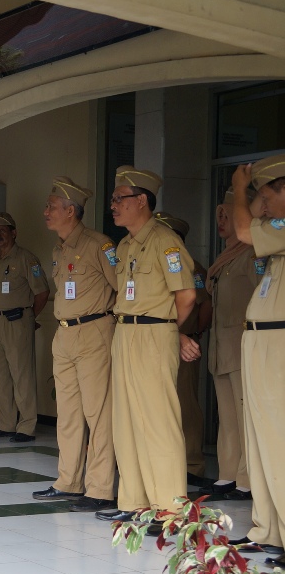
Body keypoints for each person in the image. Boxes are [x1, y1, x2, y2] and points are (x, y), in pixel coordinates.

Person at [96, 166, 197, 525]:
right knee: (125, 420)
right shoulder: (124, 245)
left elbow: (185, 294)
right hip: (125, 332)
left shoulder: (165, 240)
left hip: (154, 334)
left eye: (119, 198)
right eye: (113, 199)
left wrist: (169, 329)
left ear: (141, 201)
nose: (113, 205)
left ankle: (170, 509)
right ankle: (134, 502)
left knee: (158, 421)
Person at [31, 177, 119, 513]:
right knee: (67, 414)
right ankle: (68, 481)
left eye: (51, 207)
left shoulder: (100, 246)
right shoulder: (58, 250)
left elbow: (120, 288)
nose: (45, 212)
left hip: (95, 331)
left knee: (98, 413)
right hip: (65, 334)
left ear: (71, 211)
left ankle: (100, 487)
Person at [228, 153, 285, 560]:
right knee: (259, 436)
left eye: (265, 197)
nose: (260, 207)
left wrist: (237, 187)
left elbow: (244, 229)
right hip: (260, 340)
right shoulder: (275, 232)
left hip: (278, 343)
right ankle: (267, 529)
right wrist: (246, 190)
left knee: (278, 438)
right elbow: (245, 226)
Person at [203, 189, 260, 501]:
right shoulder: (225, 259)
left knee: (244, 416)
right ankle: (227, 474)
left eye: (228, 214)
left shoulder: (251, 256)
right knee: (226, 415)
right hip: (222, 348)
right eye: (219, 215)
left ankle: (247, 479)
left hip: (241, 347)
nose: (222, 220)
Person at [153, 212, 213, 488]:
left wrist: (194, 333)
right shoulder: (156, 264)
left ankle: (192, 464)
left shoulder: (192, 268)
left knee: (185, 404)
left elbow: (204, 304)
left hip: (183, 343)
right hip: (155, 341)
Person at [0, 212, 49, 443]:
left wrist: (29, 317)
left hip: (16, 322)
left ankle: (26, 426)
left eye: (3, 230)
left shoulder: (26, 259)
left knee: (22, 375)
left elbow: (42, 292)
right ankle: (5, 424)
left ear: (14, 233)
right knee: (0, 376)